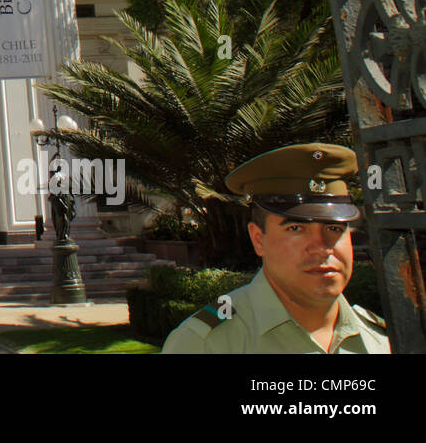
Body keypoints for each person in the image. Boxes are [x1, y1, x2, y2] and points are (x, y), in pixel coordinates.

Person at [162, 143, 390, 353]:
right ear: (258, 239)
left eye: (334, 229)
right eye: (296, 229)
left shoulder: (382, 339)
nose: (321, 248)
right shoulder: (204, 344)